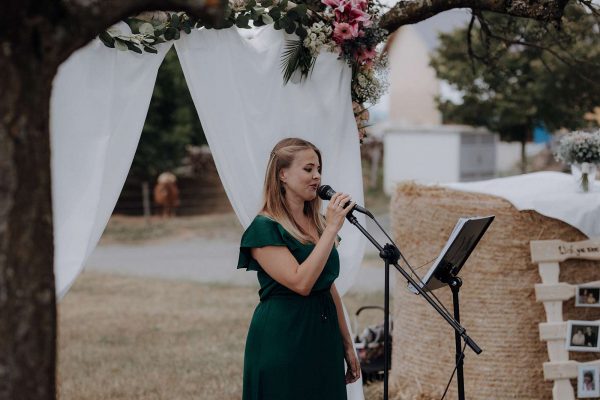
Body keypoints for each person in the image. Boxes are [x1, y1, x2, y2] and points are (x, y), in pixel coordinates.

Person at [237, 138, 360, 400]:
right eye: (308, 169)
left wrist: (347, 344)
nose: (317, 176)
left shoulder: (318, 224)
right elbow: (301, 283)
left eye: (319, 169)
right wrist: (331, 229)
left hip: (324, 336)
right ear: (282, 174)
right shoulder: (265, 228)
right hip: (284, 337)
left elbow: (327, 285)